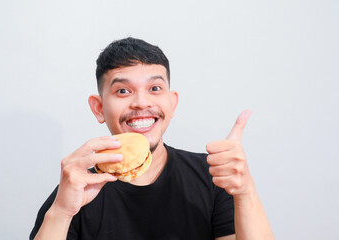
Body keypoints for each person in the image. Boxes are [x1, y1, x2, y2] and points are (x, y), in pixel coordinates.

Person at [30, 37, 274, 240]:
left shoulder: (214, 177)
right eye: (122, 91)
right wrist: (62, 212)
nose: (141, 102)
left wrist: (245, 192)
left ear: (172, 102)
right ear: (98, 108)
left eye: (155, 88)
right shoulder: (74, 193)